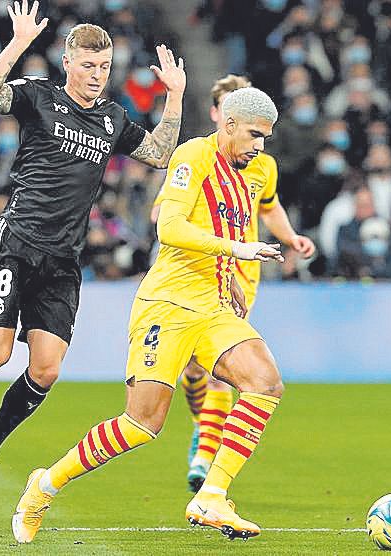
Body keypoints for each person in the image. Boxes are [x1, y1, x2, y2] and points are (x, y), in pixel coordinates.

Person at [0, 0, 186, 511]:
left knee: (45, 371)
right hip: (17, 243)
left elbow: (158, 154)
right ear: (68, 63)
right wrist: (19, 43)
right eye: (89, 66)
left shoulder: (113, 118)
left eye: (105, 67)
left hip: (63, 262)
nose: (97, 75)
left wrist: (175, 97)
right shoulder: (38, 96)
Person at [11, 87, 286, 543]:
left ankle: (212, 495)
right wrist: (237, 250)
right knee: (141, 424)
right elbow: (170, 227)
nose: (260, 146)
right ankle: (44, 484)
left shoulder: (247, 175)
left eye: (267, 139)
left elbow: (216, 230)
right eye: (255, 135)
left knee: (265, 382)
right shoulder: (192, 157)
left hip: (213, 304)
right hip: (167, 305)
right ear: (229, 124)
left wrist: (230, 275)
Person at [149, 74, 314, 492]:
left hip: (241, 272)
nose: (255, 140)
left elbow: (269, 208)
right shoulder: (197, 158)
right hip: (194, 268)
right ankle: (203, 427)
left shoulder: (262, 165)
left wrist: (290, 237)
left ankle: (206, 455)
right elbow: (162, 218)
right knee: (191, 370)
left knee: (230, 370)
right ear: (220, 117)